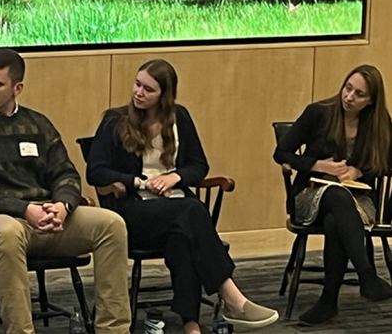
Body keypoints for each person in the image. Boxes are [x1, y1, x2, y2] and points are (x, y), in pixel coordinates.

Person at [0, 48, 132, 334]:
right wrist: (24, 210)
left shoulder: (38, 124)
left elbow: (65, 173)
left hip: (48, 215)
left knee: (111, 224)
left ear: (17, 88)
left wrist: (63, 206)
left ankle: (114, 329)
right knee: (7, 234)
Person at [87, 59, 278, 334]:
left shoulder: (180, 118)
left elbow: (199, 166)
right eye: (137, 84)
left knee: (184, 236)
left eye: (148, 89)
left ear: (163, 96)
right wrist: (138, 181)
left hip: (174, 209)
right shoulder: (115, 121)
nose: (138, 93)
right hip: (133, 213)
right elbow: (96, 171)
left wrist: (174, 177)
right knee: (191, 210)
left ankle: (191, 325)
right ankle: (233, 298)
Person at [274, 64, 392, 325]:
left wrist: (358, 171)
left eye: (359, 94)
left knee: (335, 219)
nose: (349, 97)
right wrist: (318, 165)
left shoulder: (379, 123)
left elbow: (386, 163)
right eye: (348, 88)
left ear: (371, 100)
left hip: (358, 201)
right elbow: (281, 153)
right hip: (310, 193)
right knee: (336, 196)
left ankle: (329, 302)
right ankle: (366, 274)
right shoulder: (319, 113)